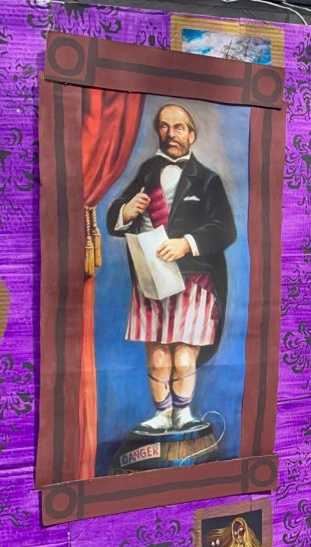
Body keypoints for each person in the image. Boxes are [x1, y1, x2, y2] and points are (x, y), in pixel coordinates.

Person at [107, 103, 237, 433]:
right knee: (157, 354)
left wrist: (187, 243)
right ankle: (162, 415)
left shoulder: (207, 180)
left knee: (183, 354)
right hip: (150, 277)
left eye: (178, 128)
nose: (170, 134)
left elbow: (225, 229)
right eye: (164, 127)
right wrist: (126, 211)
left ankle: (183, 413)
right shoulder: (147, 171)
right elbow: (113, 219)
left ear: (192, 135)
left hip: (194, 279)